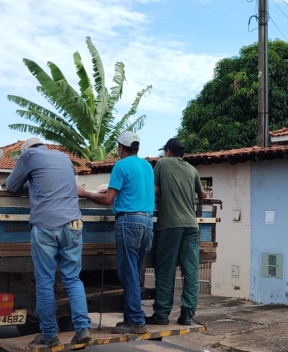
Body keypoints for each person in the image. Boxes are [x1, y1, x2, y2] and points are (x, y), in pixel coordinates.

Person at [6, 137, 92, 347]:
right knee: (72, 278)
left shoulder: (28, 155)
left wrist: (29, 185)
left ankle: (49, 334)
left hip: (46, 225)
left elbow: (12, 186)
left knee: (45, 281)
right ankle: (82, 328)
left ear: (27, 150)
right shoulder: (64, 157)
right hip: (73, 223)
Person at [77, 132, 154, 334]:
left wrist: (85, 193)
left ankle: (136, 321)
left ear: (121, 147)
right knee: (134, 272)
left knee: (127, 272)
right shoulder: (147, 166)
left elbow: (108, 200)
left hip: (129, 221)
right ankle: (131, 318)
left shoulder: (121, 166)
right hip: (147, 222)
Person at [146, 138, 206, 326]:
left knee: (166, 270)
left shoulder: (162, 164)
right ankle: (187, 314)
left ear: (168, 152)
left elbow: (154, 189)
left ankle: (162, 315)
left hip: (170, 224)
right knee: (191, 271)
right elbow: (202, 194)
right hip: (191, 224)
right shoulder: (192, 169)